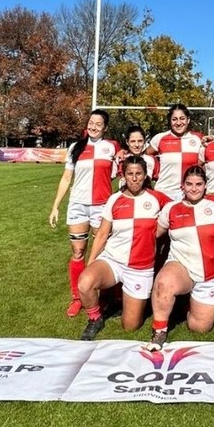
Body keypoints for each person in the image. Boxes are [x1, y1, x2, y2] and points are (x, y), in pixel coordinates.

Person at [76, 156, 171, 340]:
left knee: (130, 326)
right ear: (124, 175)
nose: (134, 178)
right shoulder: (114, 199)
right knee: (85, 282)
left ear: (145, 175)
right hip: (113, 260)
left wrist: (212, 197)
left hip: (140, 267)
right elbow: (102, 234)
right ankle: (95, 318)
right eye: (130, 174)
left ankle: (132, 302)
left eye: (138, 174)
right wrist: (91, 263)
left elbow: (183, 207)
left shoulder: (157, 198)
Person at [145, 165, 214, 351]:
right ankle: (159, 330)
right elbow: (155, 233)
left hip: (211, 273)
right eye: (189, 184)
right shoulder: (171, 209)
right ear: (182, 186)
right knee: (164, 283)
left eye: (199, 184)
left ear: (205, 185)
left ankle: (185, 302)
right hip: (181, 266)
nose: (194, 188)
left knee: (199, 328)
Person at [49, 109, 120, 318]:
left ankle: (104, 296)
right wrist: (55, 206)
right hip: (78, 206)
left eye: (98, 124)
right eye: (91, 122)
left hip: (101, 207)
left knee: (101, 253)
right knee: (78, 251)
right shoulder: (75, 148)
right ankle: (78, 297)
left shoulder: (112, 147)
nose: (93, 126)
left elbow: (122, 169)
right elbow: (66, 178)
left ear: (105, 128)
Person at [145, 104, 203, 200]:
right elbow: (142, 154)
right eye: (174, 119)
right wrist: (122, 151)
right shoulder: (160, 138)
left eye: (182, 118)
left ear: (188, 120)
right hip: (164, 192)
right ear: (170, 121)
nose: (178, 123)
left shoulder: (198, 139)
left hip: (188, 194)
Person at [117, 125, 159, 191]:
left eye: (140, 141)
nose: (136, 145)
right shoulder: (120, 159)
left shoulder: (152, 160)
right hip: (126, 196)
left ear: (144, 141)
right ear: (127, 142)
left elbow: (160, 180)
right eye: (133, 141)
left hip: (146, 196)